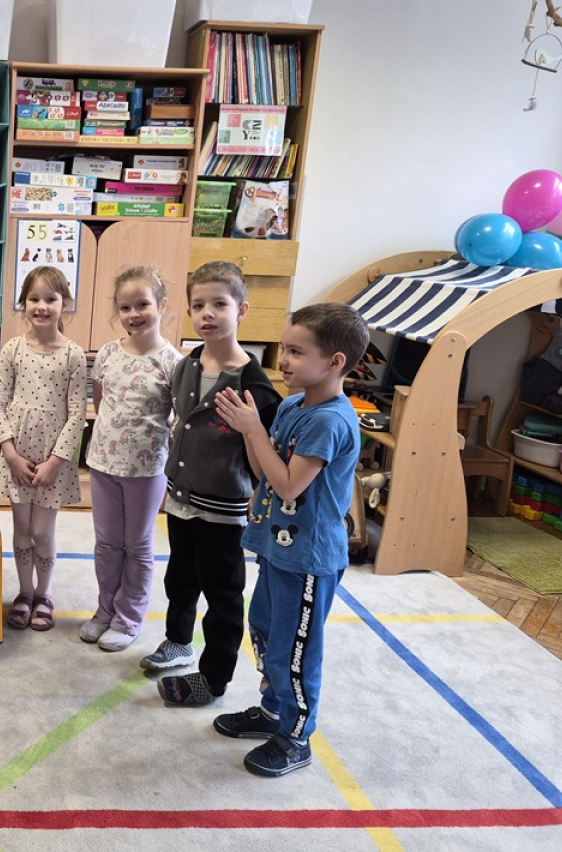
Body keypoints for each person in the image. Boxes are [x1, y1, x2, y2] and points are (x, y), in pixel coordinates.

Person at [212, 303, 368, 777]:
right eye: (284, 348)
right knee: (263, 629)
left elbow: (288, 486)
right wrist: (250, 434)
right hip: (277, 547)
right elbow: (265, 472)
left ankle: (296, 737)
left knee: (294, 651)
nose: (283, 360)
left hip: (308, 559)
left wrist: (254, 429)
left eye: (296, 352)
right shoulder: (291, 406)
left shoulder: (329, 421)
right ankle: (272, 710)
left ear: (335, 362)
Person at [144, 262, 280, 707]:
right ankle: (178, 641)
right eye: (198, 304)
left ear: (241, 310)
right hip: (181, 499)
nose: (207, 313)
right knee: (180, 578)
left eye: (219, 304)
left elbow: (263, 457)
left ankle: (214, 678)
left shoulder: (254, 384)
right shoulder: (186, 365)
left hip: (224, 509)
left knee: (223, 595)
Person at [81, 265, 182, 652]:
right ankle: (105, 610)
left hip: (147, 469)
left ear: (162, 305)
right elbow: (100, 402)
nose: (134, 314)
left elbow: (178, 417)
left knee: (137, 546)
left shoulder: (173, 362)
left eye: (142, 304)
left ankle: (129, 618)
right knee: (107, 544)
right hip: (104, 463)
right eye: (125, 307)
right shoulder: (108, 353)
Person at [0, 266, 86, 632]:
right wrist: (11, 455)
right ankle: (25, 593)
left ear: (64, 303)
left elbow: (77, 414)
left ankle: (44, 594)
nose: (41, 306)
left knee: (42, 532)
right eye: (34, 299)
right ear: (23, 303)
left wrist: (55, 462)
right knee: (21, 528)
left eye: (50, 299)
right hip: (18, 457)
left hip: (52, 460)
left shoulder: (73, 355)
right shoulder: (12, 349)